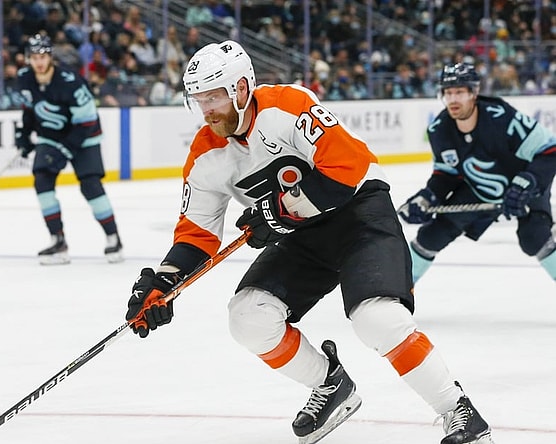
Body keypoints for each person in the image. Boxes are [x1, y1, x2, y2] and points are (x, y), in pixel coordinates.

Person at [124, 41, 494, 444]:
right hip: (300, 237)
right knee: (248, 318)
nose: (207, 109)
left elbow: (347, 167)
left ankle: (459, 412)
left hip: (358, 215)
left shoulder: (288, 104)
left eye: (214, 97)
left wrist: (279, 211)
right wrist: (163, 284)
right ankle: (331, 385)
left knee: (377, 319)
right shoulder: (205, 153)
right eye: (199, 100)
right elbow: (197, 234)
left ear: (242, 88)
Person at [398, 62, 556, 283]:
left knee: (534, 239)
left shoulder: (501, 117)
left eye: (460, 92)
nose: (453, 99)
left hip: (525, 185)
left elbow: (549, 151)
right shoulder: (439, 130)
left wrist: (527, 182)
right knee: (432, 236)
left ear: (474, 92)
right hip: (479, 189)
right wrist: (425, 199)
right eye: (448, 92)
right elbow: (446, 176)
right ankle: (398, 289)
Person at [14, 34, 123, 265]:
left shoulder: (70, 81)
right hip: (52, 136)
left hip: (85, 136)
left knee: (90, 185)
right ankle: (58, 241)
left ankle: (113, 237)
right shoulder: (24, 78)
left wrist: (66, 149)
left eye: (43, 56)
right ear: (28, 59)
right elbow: (30, 109)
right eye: (34, 57)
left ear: (50, 57)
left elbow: (87, 120)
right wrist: (23, 135)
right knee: (42, 180)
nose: (39, 62)